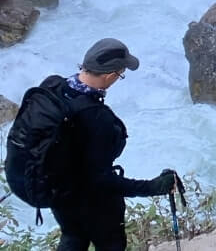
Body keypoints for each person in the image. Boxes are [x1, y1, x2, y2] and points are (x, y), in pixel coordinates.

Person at [49, 39, 177, 251]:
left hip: (58, 193)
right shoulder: (98, 119)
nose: (118, 78)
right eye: (120, 74)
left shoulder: (53, 87)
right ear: (110, 75)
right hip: (92, 201)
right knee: (111, 244)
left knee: (73, 237)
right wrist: (153, 187)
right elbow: (103, 181)